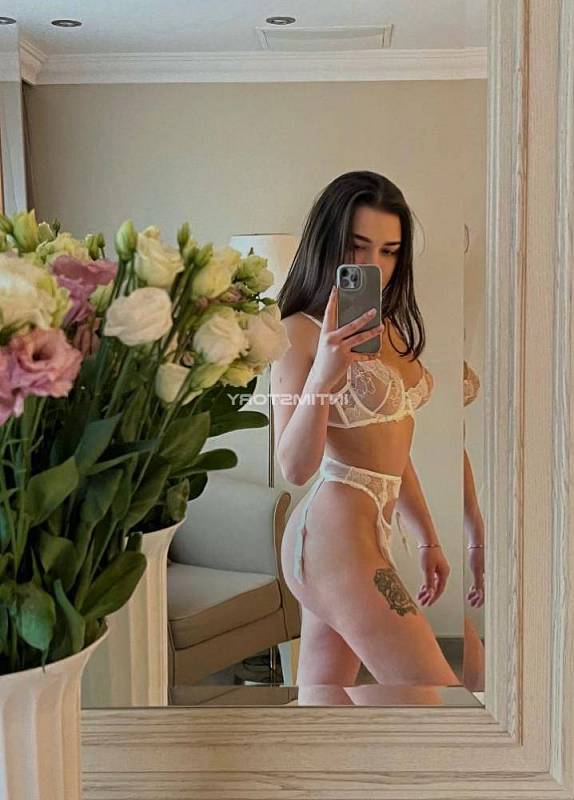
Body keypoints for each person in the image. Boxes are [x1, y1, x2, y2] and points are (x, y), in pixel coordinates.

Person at [271, 171, 462, 705]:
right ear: (328, 242)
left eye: (389, 250)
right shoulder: (299, 333)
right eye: (357, 247)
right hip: (334, 534)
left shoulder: (390, 329)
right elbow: (294, 467)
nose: (373, 263)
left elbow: (394, 450)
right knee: (431, 701)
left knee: (326, 712)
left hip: (369, 532)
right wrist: (323, 374)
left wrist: (426, 537)